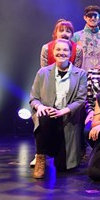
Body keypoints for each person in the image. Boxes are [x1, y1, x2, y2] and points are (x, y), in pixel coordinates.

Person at [30, 39, 87, 178]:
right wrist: (41, 107)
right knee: (43, 116)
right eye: (58, 50)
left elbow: (81, 99)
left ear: (70, 53)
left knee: (63, 168)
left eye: (65, 50)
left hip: (67, 117)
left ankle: (60, 154)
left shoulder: (80, 74)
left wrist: (62, 111)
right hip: (48, 117)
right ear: (53, 52)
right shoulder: (43, 72)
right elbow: (33, 98)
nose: (61, 53)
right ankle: (40, 157)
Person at [72, 5, 100, 71]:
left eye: (95, 16)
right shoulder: (75, 37)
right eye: (90, 15)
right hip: (80, 76)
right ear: (85, 17)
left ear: (99, 19)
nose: (93, 18)